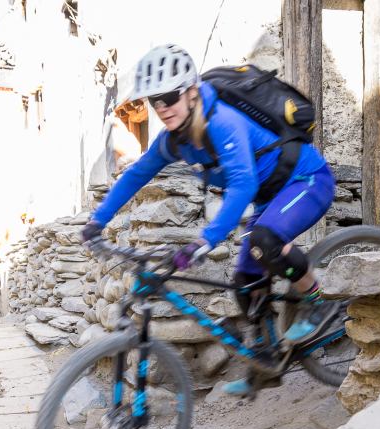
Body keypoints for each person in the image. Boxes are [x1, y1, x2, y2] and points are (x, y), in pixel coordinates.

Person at [81, 44, 336, 396]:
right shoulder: (175, 140)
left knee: (265, 241)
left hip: (306, 181)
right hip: (270, 197)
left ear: (190, 91)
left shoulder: (223, 123)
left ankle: (317, 301)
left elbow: (243, 184)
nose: (161, 107)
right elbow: (136, 175)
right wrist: (97, 221)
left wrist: (205, 241)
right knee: (246, 279)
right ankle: (266, 362)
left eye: (169, 96)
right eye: (155, 101)